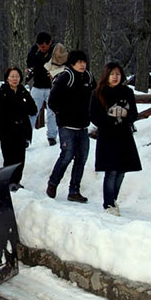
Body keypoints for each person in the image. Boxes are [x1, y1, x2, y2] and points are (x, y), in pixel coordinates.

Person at [89, 63, 141, 215]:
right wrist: (108, 117)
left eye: (118, 74)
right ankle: (108, 203)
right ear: (106, 75)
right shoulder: (98, 92)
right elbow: (93, 115)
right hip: (107, 136)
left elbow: (134, 114)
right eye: (112, 74)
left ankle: (114, 198)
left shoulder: (127, 92)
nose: (115, 77)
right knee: (111, 171)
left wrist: (125, 114)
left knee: (122, 170)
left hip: (124, 135)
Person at [46, 49, 96, 202]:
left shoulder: (88, 77)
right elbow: (52, 100)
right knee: (67, 155)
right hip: (67, 125)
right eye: (79, 62)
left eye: (84, 62)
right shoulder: (66, 77)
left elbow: (95, 95)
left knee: (82, 157)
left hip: (83, 125)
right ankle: (53, 182)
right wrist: (61, 115)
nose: (82, 65)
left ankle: (74, 190)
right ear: (72, 63)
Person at [0, 66, 37, 190]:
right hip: (7, 130)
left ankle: (16, 181)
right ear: (7, 78)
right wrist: (19, 108)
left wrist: (24, 102)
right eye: (12, 76)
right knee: (9, 157)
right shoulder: (3, 92)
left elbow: (32, 109)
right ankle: (7, 181)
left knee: (20, 158)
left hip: (21, 130)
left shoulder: (23, 91)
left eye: (17, 76)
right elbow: (2, 109)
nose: (15, 79)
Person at [26, 32, 57, 146]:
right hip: (37, 86)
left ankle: (52, 136)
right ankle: (27, 137)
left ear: (49, 43)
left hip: (52, 87)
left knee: (52, 113)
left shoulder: (55, 52)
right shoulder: (33, 52)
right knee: (32, 111)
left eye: (44, 46)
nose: (42, 48)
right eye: (40, 45)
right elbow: (30, 66)